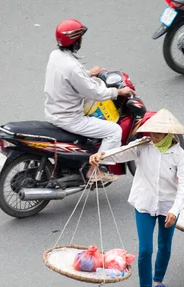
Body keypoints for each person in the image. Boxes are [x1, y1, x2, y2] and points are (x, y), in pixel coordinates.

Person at [89, 109, 184, 287]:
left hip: (168, 207)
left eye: (158, 133)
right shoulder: (142, 147)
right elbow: (119, 154)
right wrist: (102, 156)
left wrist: (174, 210)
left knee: (164, 245)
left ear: (169, 133)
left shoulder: (180, 157)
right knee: (145, 250)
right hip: (144, 204)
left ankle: (158, 280)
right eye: (151, 132)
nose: (153, 136)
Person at [44, 19, 136, 182]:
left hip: (53, 111)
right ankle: (95, 170)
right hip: (70, 118)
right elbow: (94, 92)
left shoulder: (55, 55)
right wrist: (118, 91)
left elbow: (69, 78)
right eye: (80, 38)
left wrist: (88, 74)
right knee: (114, 131)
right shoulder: (72, 67)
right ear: (75, 40)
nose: (81, 41)